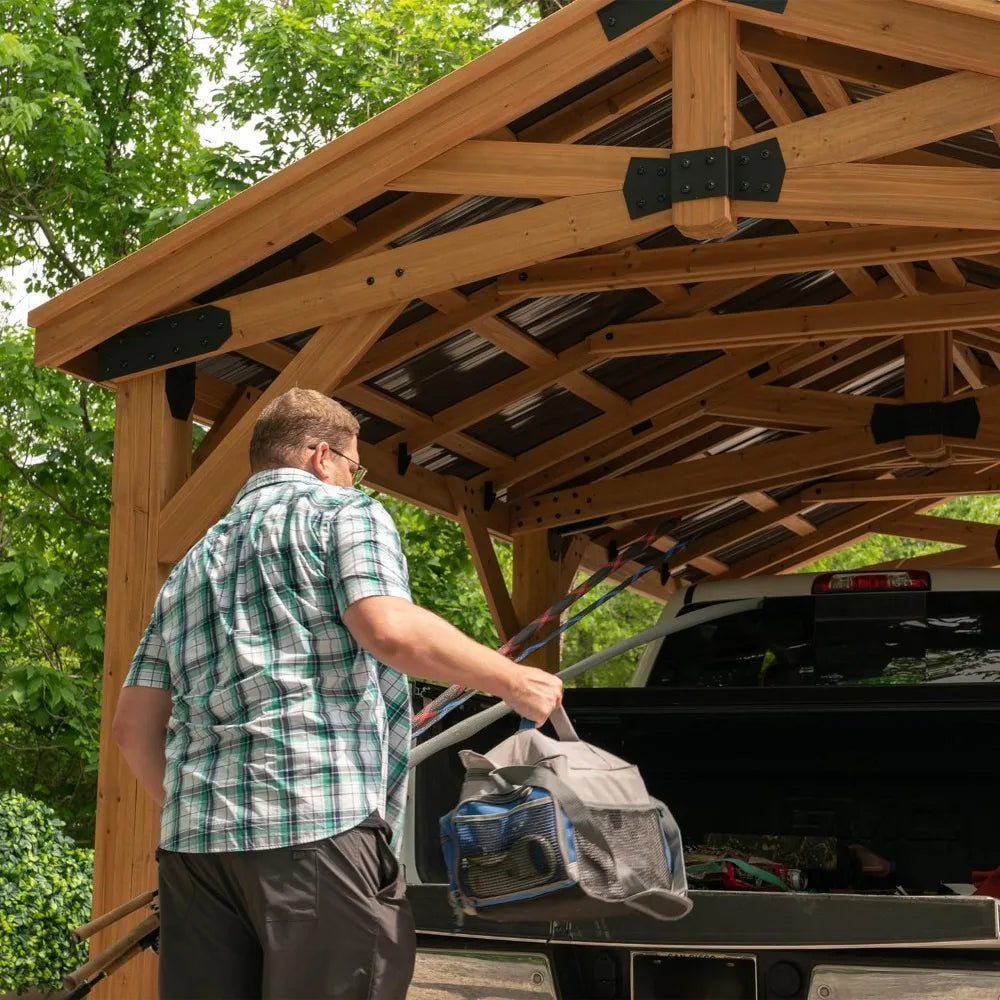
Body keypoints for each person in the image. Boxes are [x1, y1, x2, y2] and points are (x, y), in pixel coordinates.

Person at [112, 387, 563, 1000]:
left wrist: (198, 811)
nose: (356, 479)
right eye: (356, 465)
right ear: (323, 455)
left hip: (196, 851)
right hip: (313, 829)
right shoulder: (341, 514)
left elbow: (132, 726)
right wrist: (513, 679)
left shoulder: (193, 562)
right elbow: (388, 629)